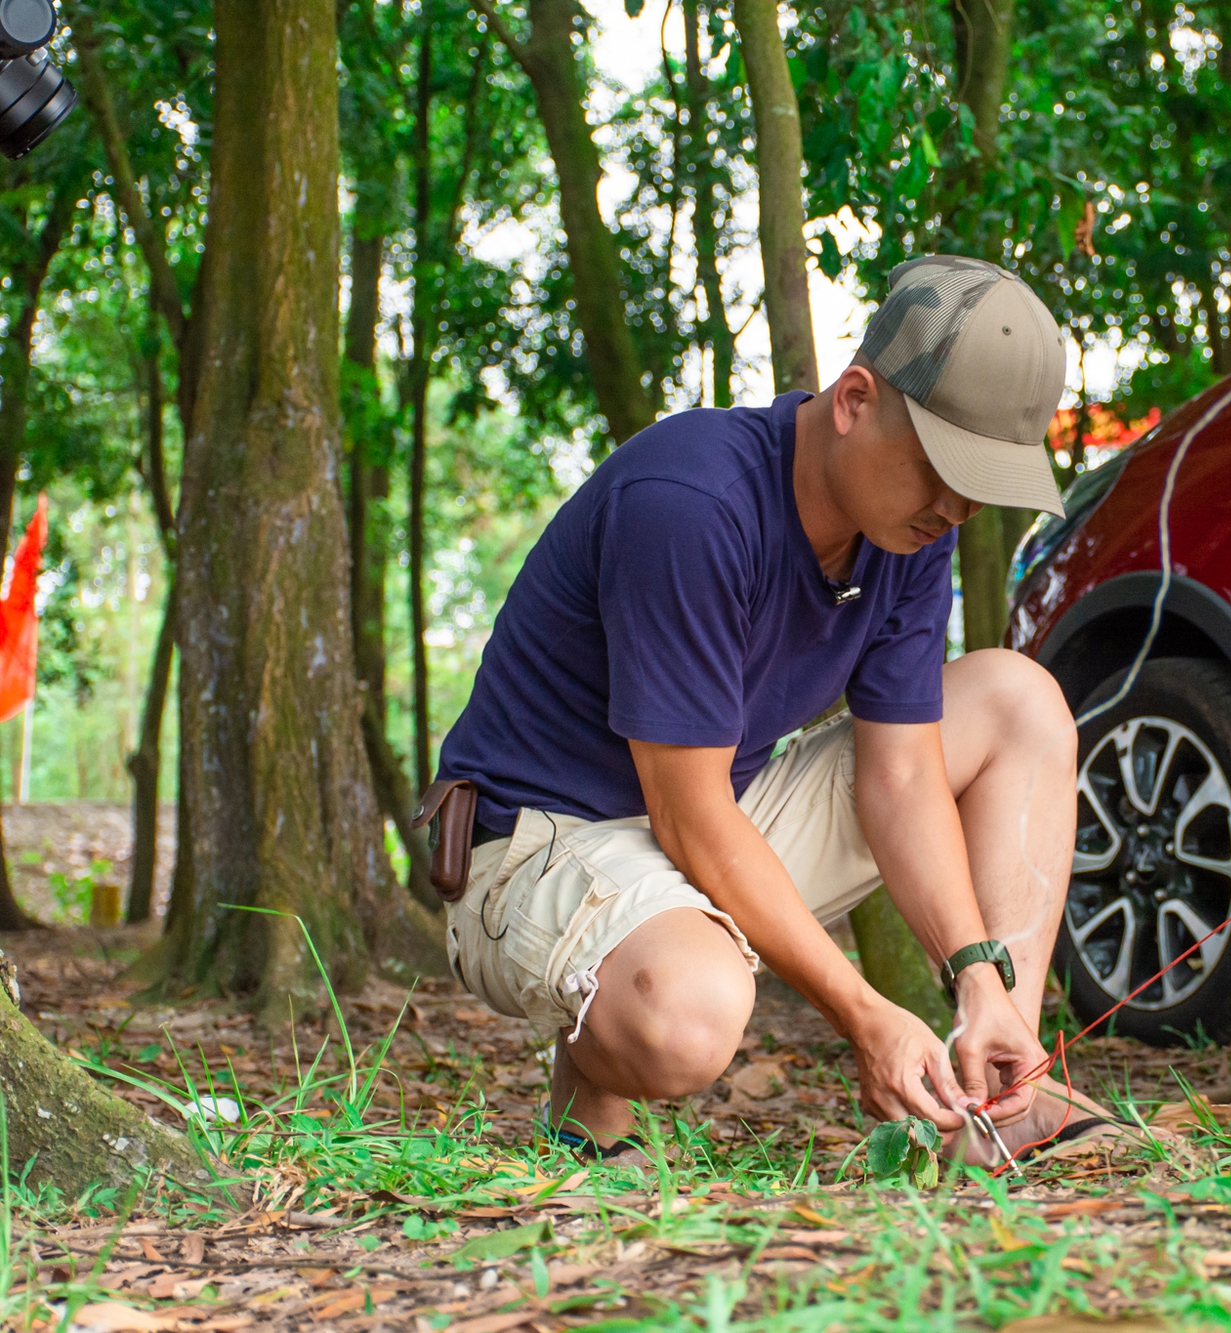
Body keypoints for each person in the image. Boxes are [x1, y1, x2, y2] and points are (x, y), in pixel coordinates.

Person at [433, 255, 1122, 1163]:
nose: (954, 506)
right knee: (689, 1013)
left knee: (1018, 701)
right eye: (939, 466)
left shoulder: (910, 528)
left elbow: (904, 770)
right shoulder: (691, 503)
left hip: (709, 810)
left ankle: (1002, 1084)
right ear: (855, 401)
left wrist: (974, 973)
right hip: (538, 842)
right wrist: (866, 1015)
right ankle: (589, 1082)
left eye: (978, 481)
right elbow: (689, 813)